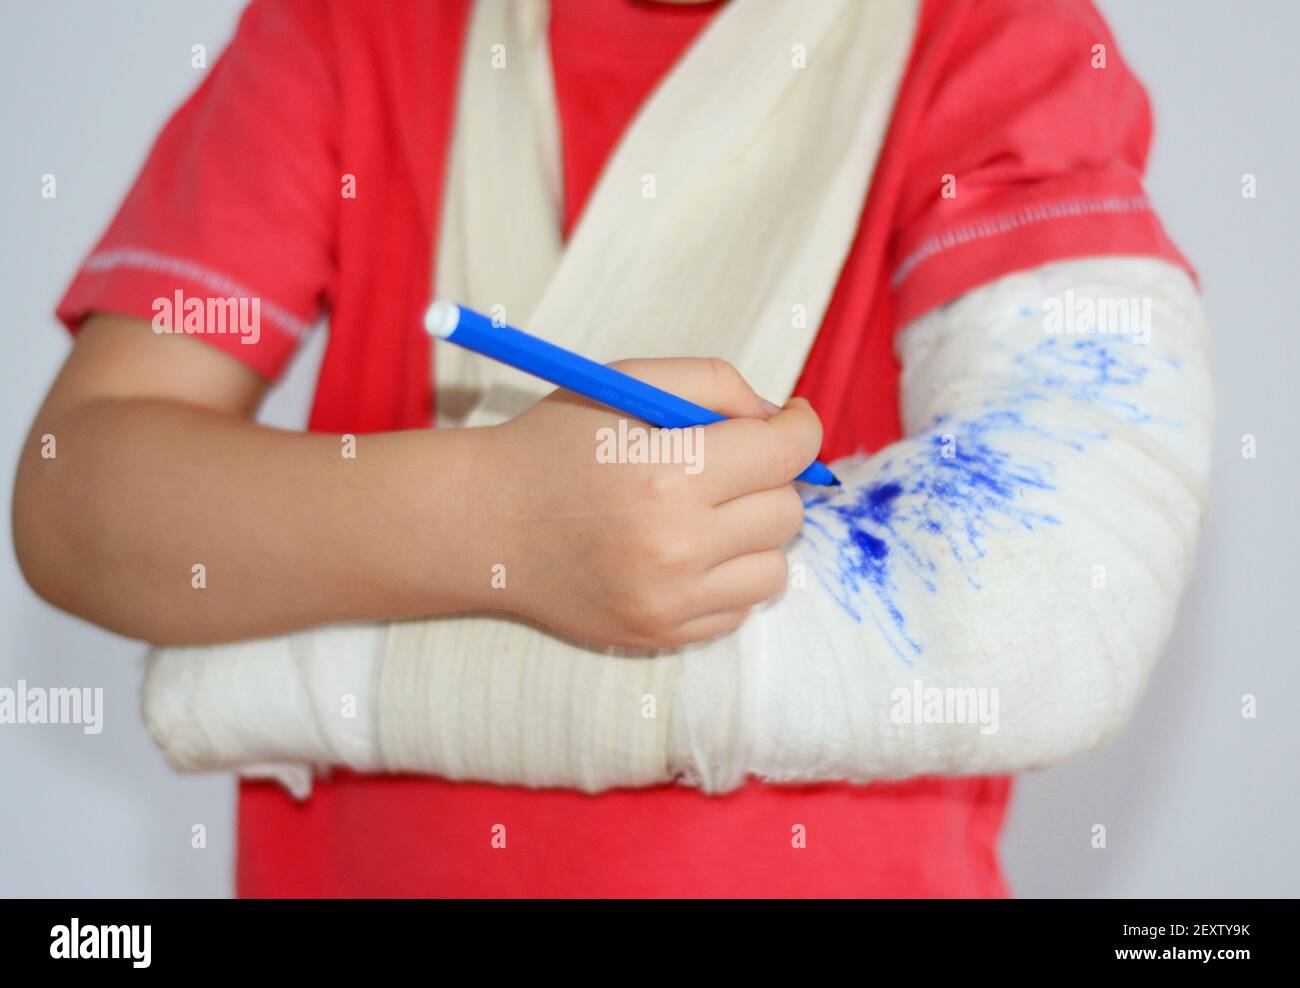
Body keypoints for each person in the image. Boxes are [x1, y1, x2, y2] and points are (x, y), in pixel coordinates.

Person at [13, 0, 1210, 897]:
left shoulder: (991, 41)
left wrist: (322, 639)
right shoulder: (348, 27)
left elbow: (1058, 581)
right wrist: (497, 521)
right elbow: (78, 495)